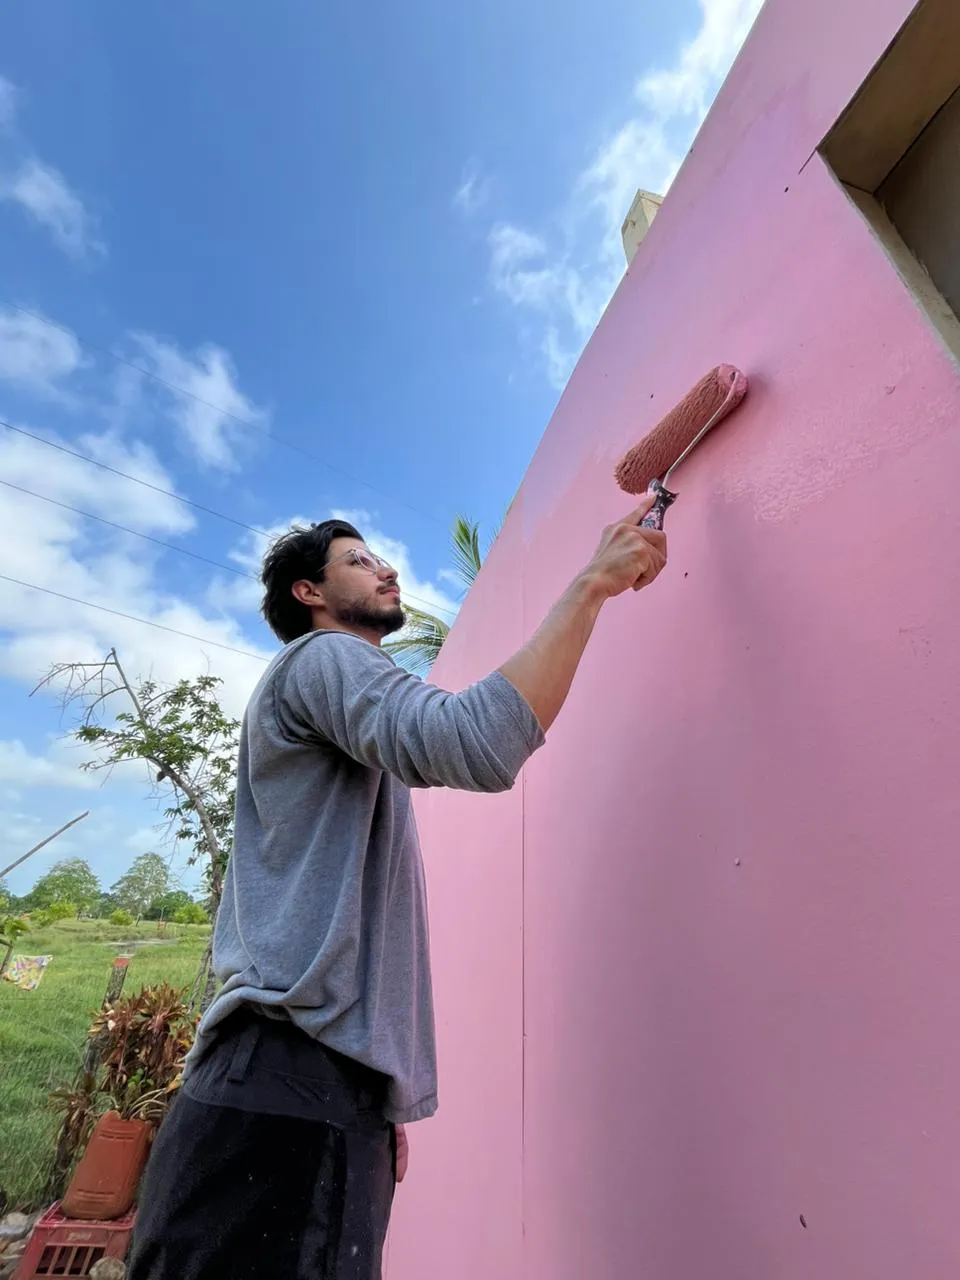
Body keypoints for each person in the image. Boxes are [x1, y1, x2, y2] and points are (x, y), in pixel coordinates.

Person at [128, 498, 667, 1280]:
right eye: (357, 559)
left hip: (303, 1089)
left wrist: (372, 1080)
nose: (386, 568)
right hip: (290, 1089)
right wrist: (591, 584)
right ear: (309, 594)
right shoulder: (325, 659)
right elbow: (473, 743)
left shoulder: (330, 712)